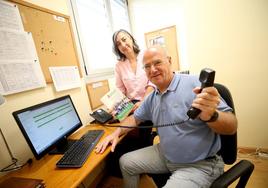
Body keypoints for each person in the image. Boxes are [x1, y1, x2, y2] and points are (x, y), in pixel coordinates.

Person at [95, 45, 238, 188]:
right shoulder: (152, 97)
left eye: (157, 63)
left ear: (169, 61)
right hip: (166, 154)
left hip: (198, 164)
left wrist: (212, 116)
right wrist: (116, 133)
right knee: (125, 162)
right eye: (147, 66)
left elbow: (232, 126)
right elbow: (135, 118)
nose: (153, 70)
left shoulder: (195, 85)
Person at [106, 29, 155, 177]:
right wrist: (115, 107)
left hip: (149, 100)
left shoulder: (145, 56)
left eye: (124, 39)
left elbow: (152, 83)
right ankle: (131, 163)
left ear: (131, 39)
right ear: (117, 48)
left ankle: (143, 162)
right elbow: (120, 89)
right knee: (118, 127)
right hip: (130, 103)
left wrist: (143, 103)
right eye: (118, 43)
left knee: (141, 131)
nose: (123, 44)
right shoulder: (119, 65)